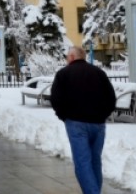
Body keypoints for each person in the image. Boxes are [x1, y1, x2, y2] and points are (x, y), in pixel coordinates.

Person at [50, 46, 115, 194]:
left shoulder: (63, 74)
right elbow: (111, 98)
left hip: (76, 123)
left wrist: (64, 115)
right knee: (95, 162)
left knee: (82, 163)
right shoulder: (99, 73)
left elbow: (56, 99)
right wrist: (102, 115)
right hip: (98, 125)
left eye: (67, 56)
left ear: (72, 57)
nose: (67, 59)